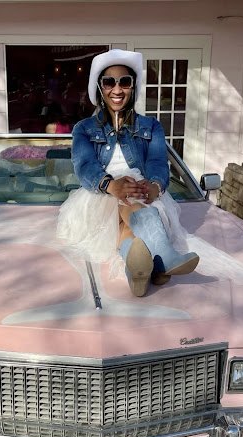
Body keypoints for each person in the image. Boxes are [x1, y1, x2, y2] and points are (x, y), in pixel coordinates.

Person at [57, 49, 199, 297]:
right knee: (128, 199)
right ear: (100, 87)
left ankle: (137, 271)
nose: (117, 89)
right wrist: (111, 185)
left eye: (124, 82)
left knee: (132, 207)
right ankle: (164, 257)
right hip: (99, 193)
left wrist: (155, 185)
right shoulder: (84, 128)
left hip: (142, 191)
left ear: (133, 87)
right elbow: (85, 165)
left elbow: (157, 161)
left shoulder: (151, 126)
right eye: (109, 82)